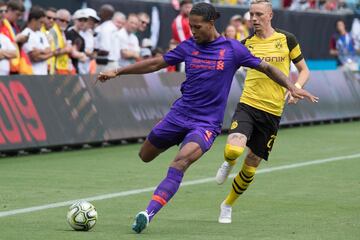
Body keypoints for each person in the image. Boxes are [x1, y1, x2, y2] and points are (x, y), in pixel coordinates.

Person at [97, 2, 318, 234]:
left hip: (205, 124)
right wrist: (118, 71)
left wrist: (292, 86)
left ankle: (147, 213)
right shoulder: (189, 46)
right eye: (190, 27)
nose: (193, 31)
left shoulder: (233, 49)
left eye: (197, 27)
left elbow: (268, 68)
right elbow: (157, 62)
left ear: (211, 23)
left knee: (180, 162)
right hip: (178, 115)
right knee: (145, 156)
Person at [214, 0, 315, 224]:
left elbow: (304, 70)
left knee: (251, 165)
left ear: (270, 15)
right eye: (251, 14)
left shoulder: (287, 39)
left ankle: (227, 204)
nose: (254, 19)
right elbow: (225, 67)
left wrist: (295, 89)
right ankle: (228, 163)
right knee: (233, 150)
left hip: (272, 112)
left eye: (259, 14)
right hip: (248, 105)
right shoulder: (245, 44)